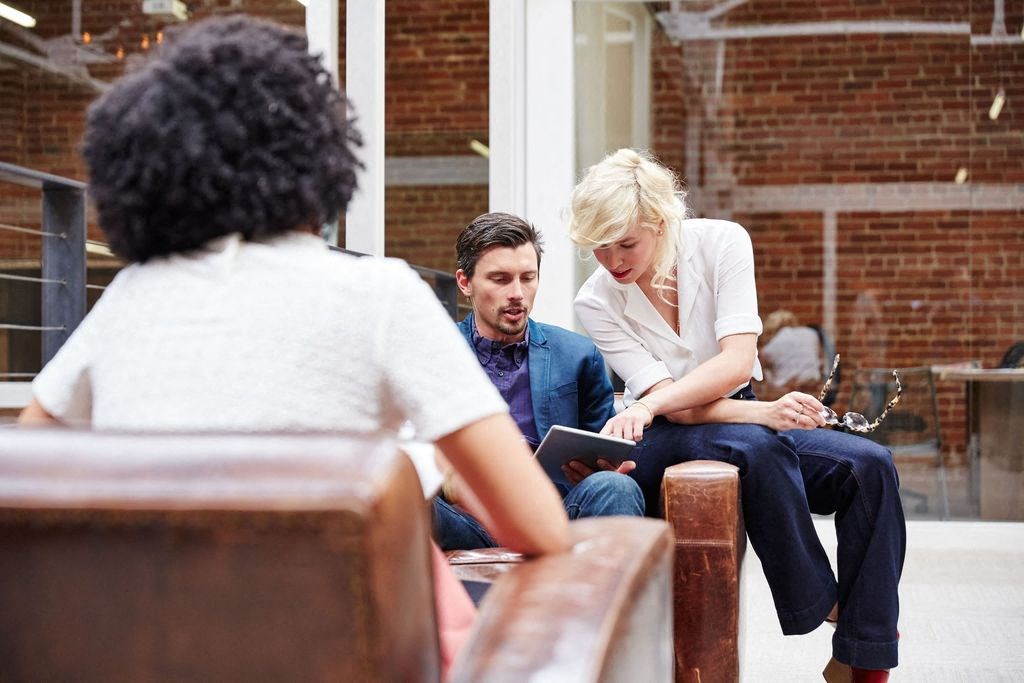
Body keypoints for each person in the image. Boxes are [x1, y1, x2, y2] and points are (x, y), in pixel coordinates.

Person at [16, 16, 569, 677]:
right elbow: (538, 525)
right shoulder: (381, 293)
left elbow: (30, 474)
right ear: (323, 154)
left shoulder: (132, 294)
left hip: (147, 650)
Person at [567, 148, 905, 682]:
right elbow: (671, 405)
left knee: (871, 467)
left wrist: (761, 412)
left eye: (625, 243)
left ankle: (861, 659)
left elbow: (737, 361)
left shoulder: (723, 242)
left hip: (739, 413)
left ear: (659, 221)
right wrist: (760, 412)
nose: (612, 262)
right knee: (758, 444)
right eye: (598, 249)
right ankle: (830, 606)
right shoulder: (596, 300)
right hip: (662, 433)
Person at [433, 212, 644, 550]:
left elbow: (603, 445)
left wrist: (601, 470)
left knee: (614, 487)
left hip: (556, 513)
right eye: (500, 279)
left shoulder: (577, 355)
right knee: (409, 499)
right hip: (463, 521)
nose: (517, 293)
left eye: (527, 278)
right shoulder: (434, 354)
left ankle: (608, 602)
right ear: (464, 282)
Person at [756, 309, 825, 401]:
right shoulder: (811, 334)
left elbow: (760, 371)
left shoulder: (770, 347)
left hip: (784, 393)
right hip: (814, 387)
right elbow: (820, 361)